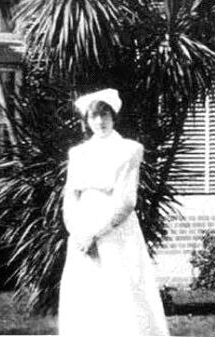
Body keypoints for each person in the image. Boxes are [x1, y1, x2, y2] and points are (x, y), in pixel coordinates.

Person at [58, 88, 169, 336]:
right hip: (82, 230)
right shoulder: (78, 153)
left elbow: (126, 200)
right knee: (86, 294)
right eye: (94, 116)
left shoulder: (129, 150)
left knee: (121, 291)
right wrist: (77, 232)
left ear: (113, 115)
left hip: (114, 230)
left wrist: (96, 233)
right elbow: (70, 194)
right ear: (87, 120)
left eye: (105, 114)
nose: (100, 121)